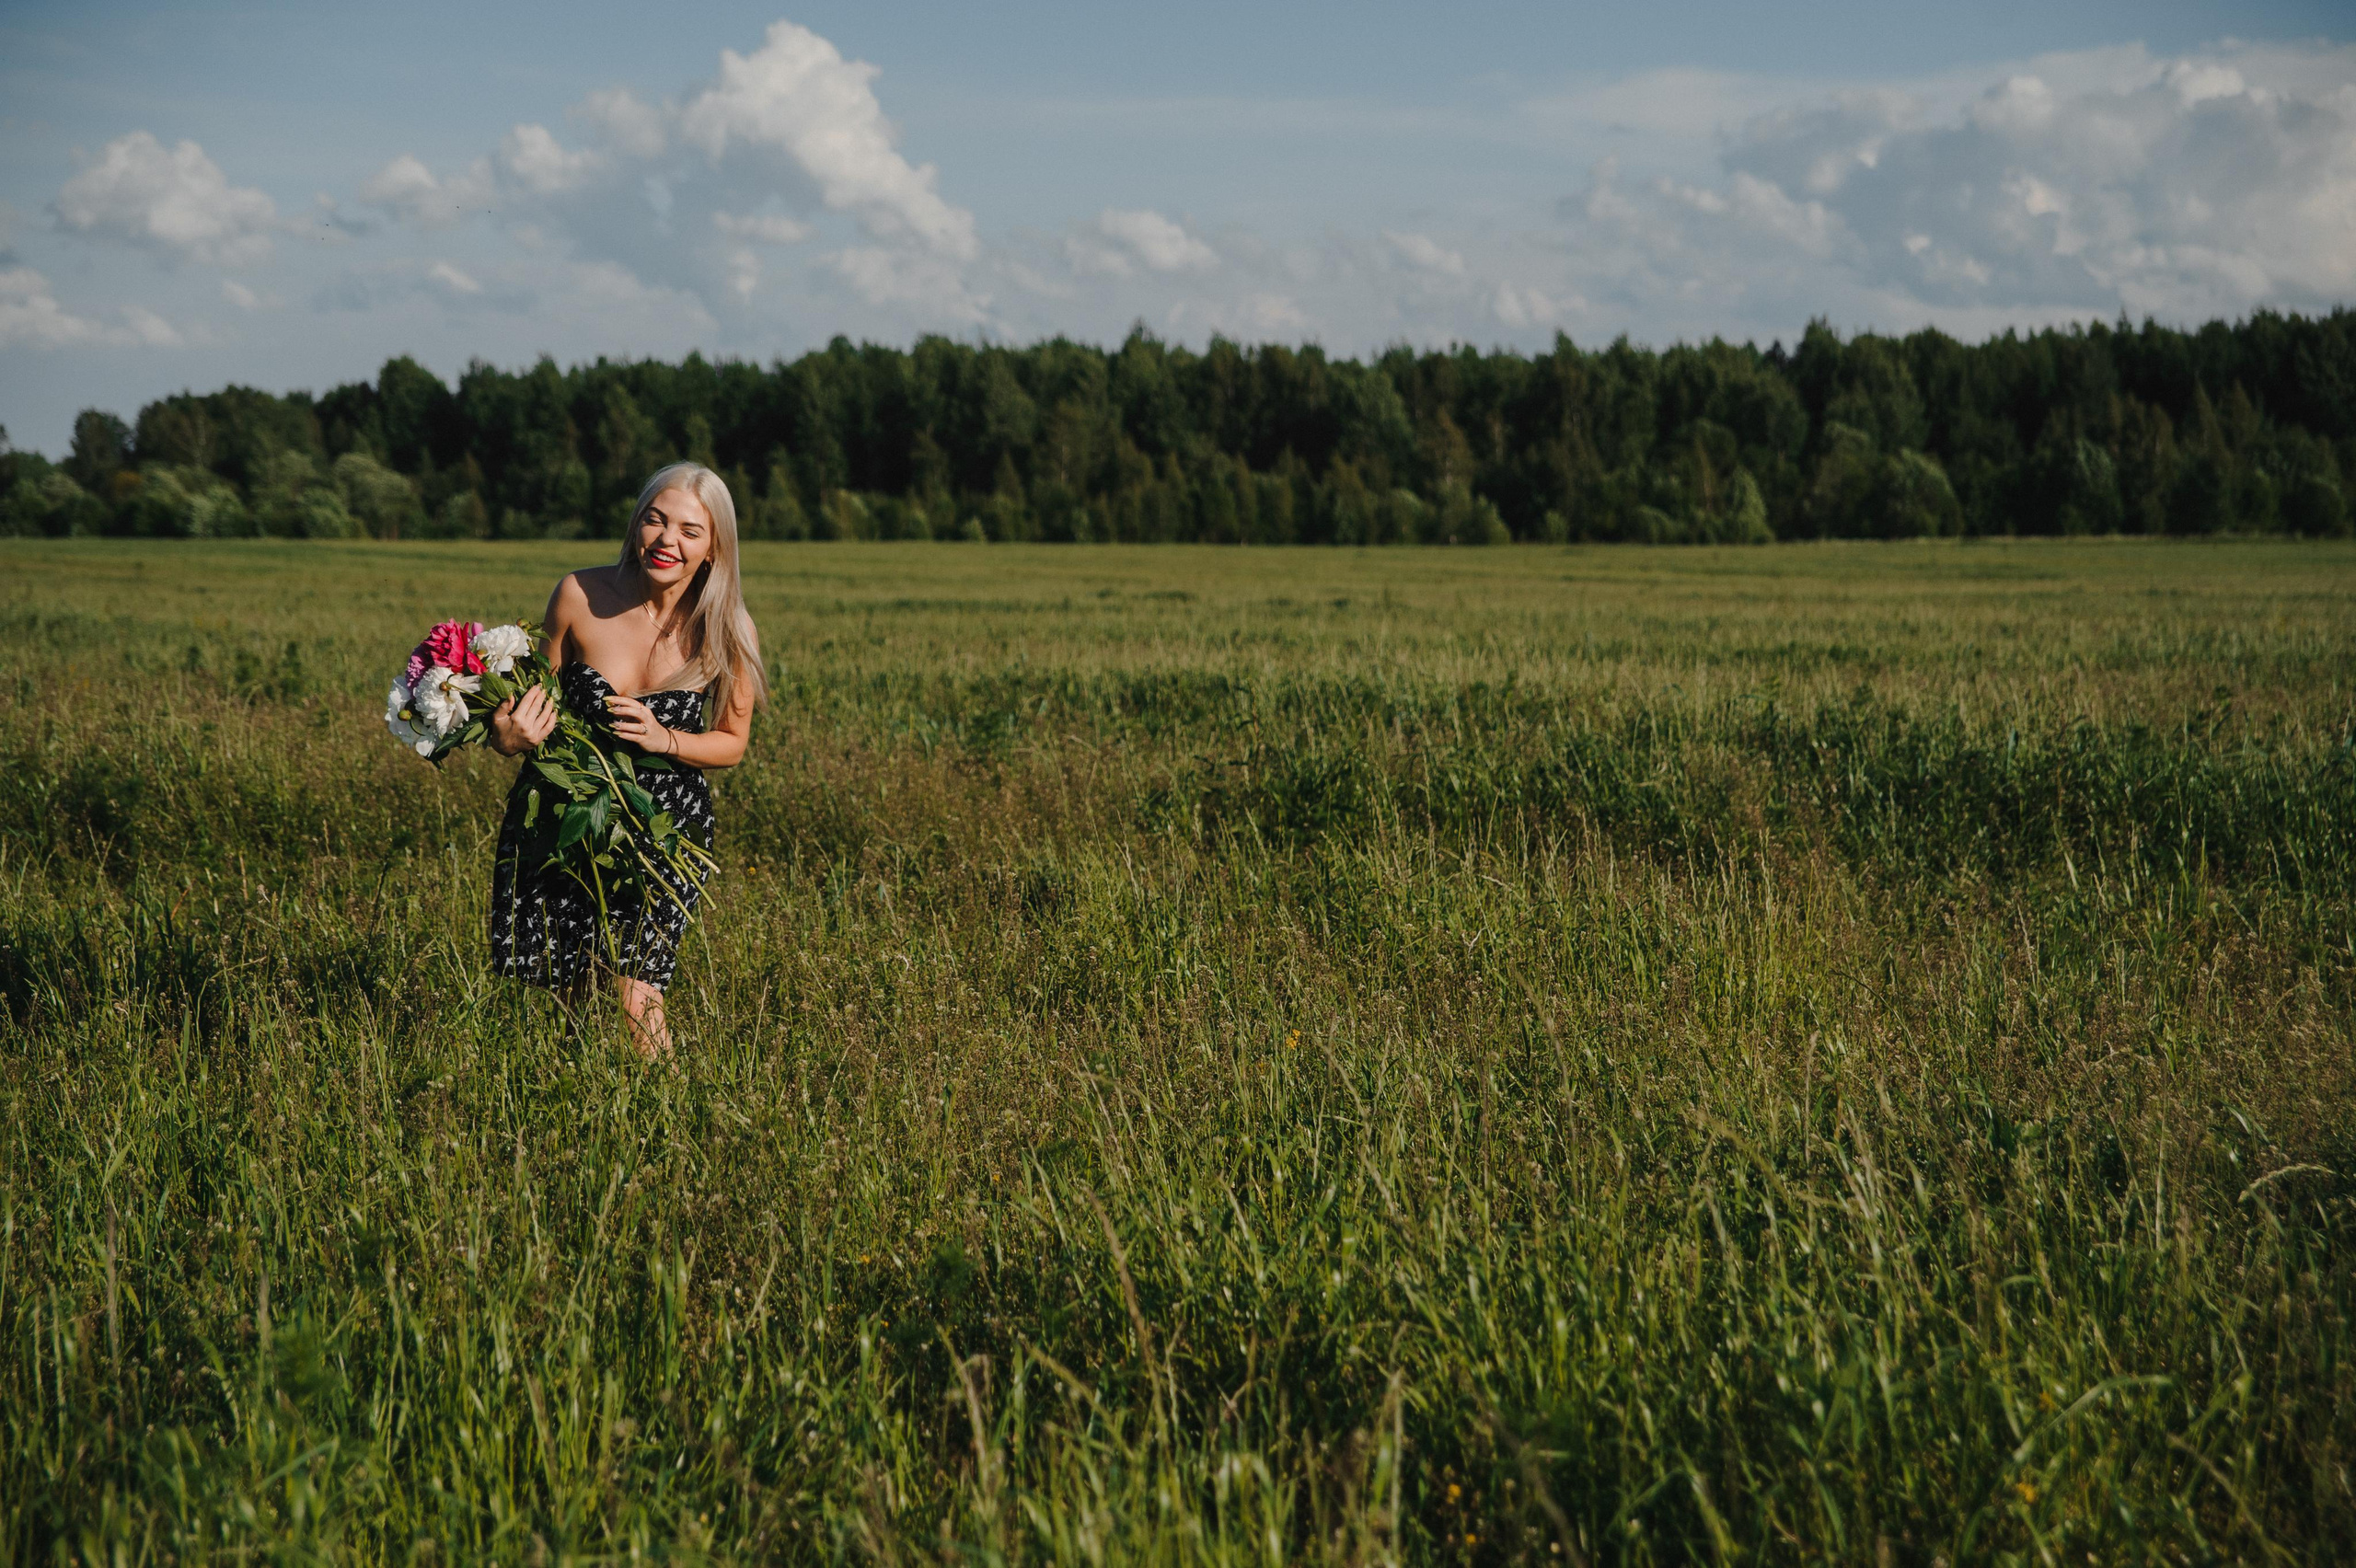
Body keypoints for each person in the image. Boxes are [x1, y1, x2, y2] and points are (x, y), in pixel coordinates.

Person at [485, 463, 767, 1056]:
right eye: (655, 520)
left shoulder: (728, 626)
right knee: (572, 986)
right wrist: (506, 736)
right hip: (563, 814)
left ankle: (672, 1128)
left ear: (715, 548)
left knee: (635, 992)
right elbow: (536, 699)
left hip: (662, 827)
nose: (668, 541)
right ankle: (587, 1116)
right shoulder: (579, 594)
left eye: (690, 531)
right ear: (636, 524)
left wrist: (667, 740)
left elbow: (732, 741)